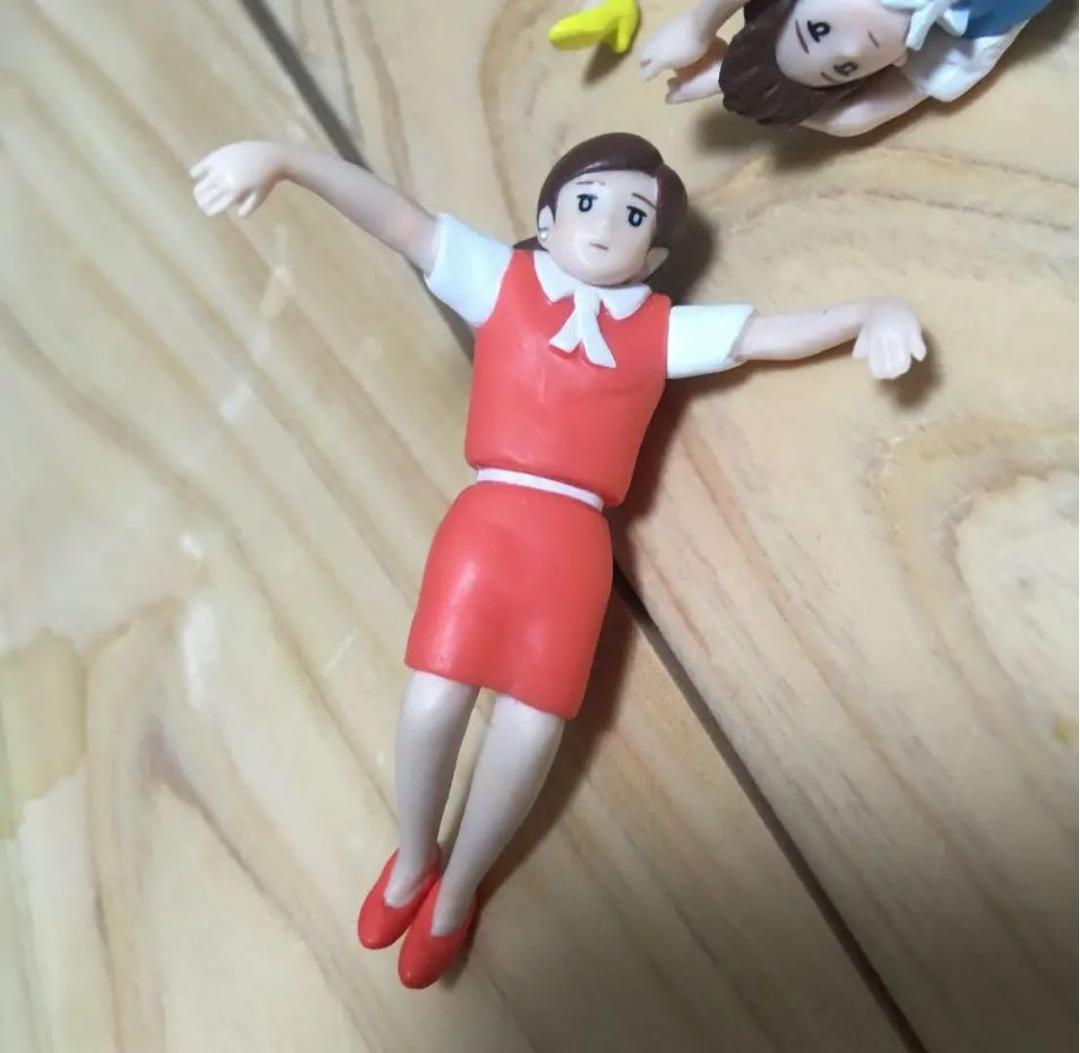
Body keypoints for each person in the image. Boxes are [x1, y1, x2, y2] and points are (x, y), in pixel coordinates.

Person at [190, 132, 925, 988]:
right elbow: (397, 219)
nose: (605, 225)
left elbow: (765, 335)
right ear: (546, 219)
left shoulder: (660, 331)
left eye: (633, 216)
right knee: (431, 701)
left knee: (532, 729)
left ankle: (457, 890)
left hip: (576, 543)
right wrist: (285, 160)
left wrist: (869, 312)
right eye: (586, 202)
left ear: (654, 255)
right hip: (488, 520)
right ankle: (413, 857)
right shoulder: (499, 279)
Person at [640, 0, 1052, 135]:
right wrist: (729, 84)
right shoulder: (970, 35)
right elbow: (851, 120)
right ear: (893, 63)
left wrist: (696, 29)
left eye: (818, 30)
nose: (853, 45)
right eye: (845, 68)